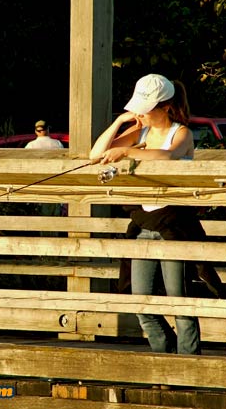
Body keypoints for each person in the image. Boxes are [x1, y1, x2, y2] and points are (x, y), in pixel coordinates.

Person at [89, 73, 201, 355]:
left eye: (146, 108)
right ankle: (164, 358)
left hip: (174, 224)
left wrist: (127, 153)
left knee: (179, 301)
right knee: (141, 302)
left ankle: (189, 366)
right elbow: (95, 154)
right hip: (143, 225)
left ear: (165, 106)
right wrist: (119, 123)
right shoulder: (139, 133)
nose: (141, 113)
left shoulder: (182, 132)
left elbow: (168, 156)